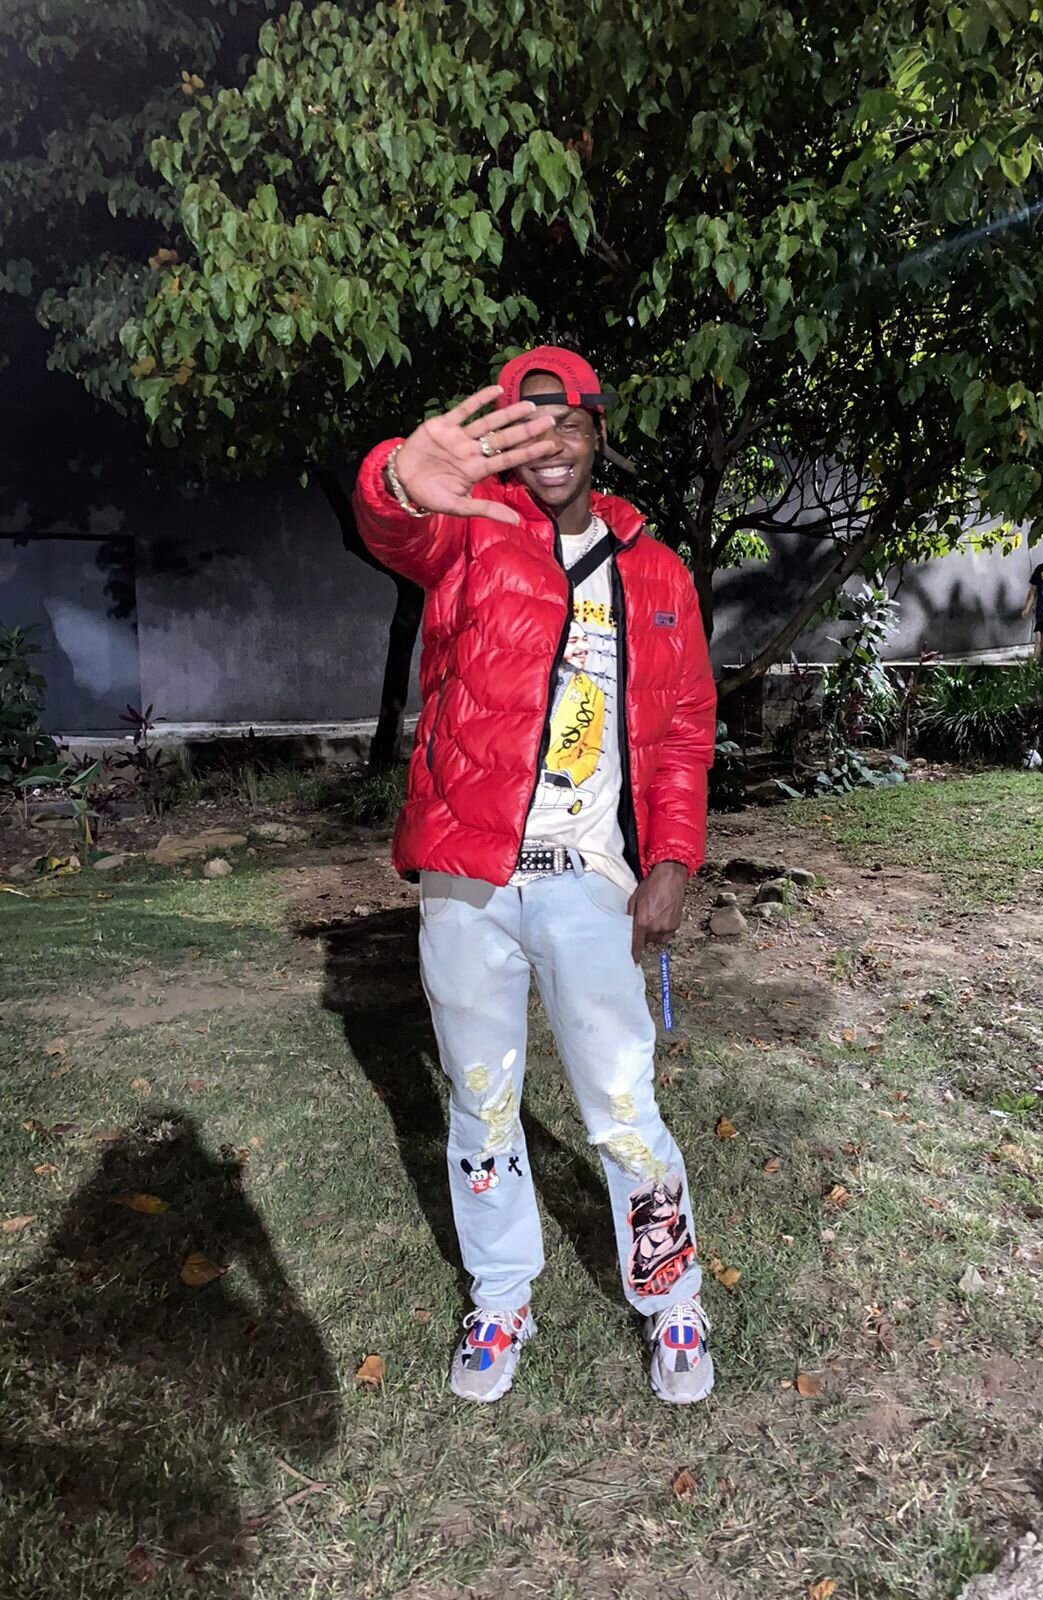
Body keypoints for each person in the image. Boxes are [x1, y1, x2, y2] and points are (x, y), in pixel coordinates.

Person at [352, 346, 717, 1407]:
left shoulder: (655, 571)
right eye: (526, 426)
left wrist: (672, 860)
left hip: (588, 881)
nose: (550, 444)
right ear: (504, 445)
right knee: (481, 1103)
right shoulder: (469, 534)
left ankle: (672, 1295)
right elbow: (394, 525)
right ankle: (502, 1293)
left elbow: (685, 729)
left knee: (622, 1103)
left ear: (598, 431)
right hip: (468, 881)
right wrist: (395, 479)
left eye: (568, 422)